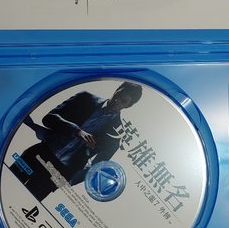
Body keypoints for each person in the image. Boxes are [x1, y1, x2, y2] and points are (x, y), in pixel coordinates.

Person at [9, 81, 142, 201]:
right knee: (5, 183)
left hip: (57, 174)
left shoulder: (116, 135)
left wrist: (66, 180)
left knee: (25, 207)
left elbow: (95, 168)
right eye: (118, 95)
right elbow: (48, 119)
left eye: (123, 101)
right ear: (117, 89)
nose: (117, 101)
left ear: (128, 105)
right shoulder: (85, 98)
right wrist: (76, 130)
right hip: (37, 154)